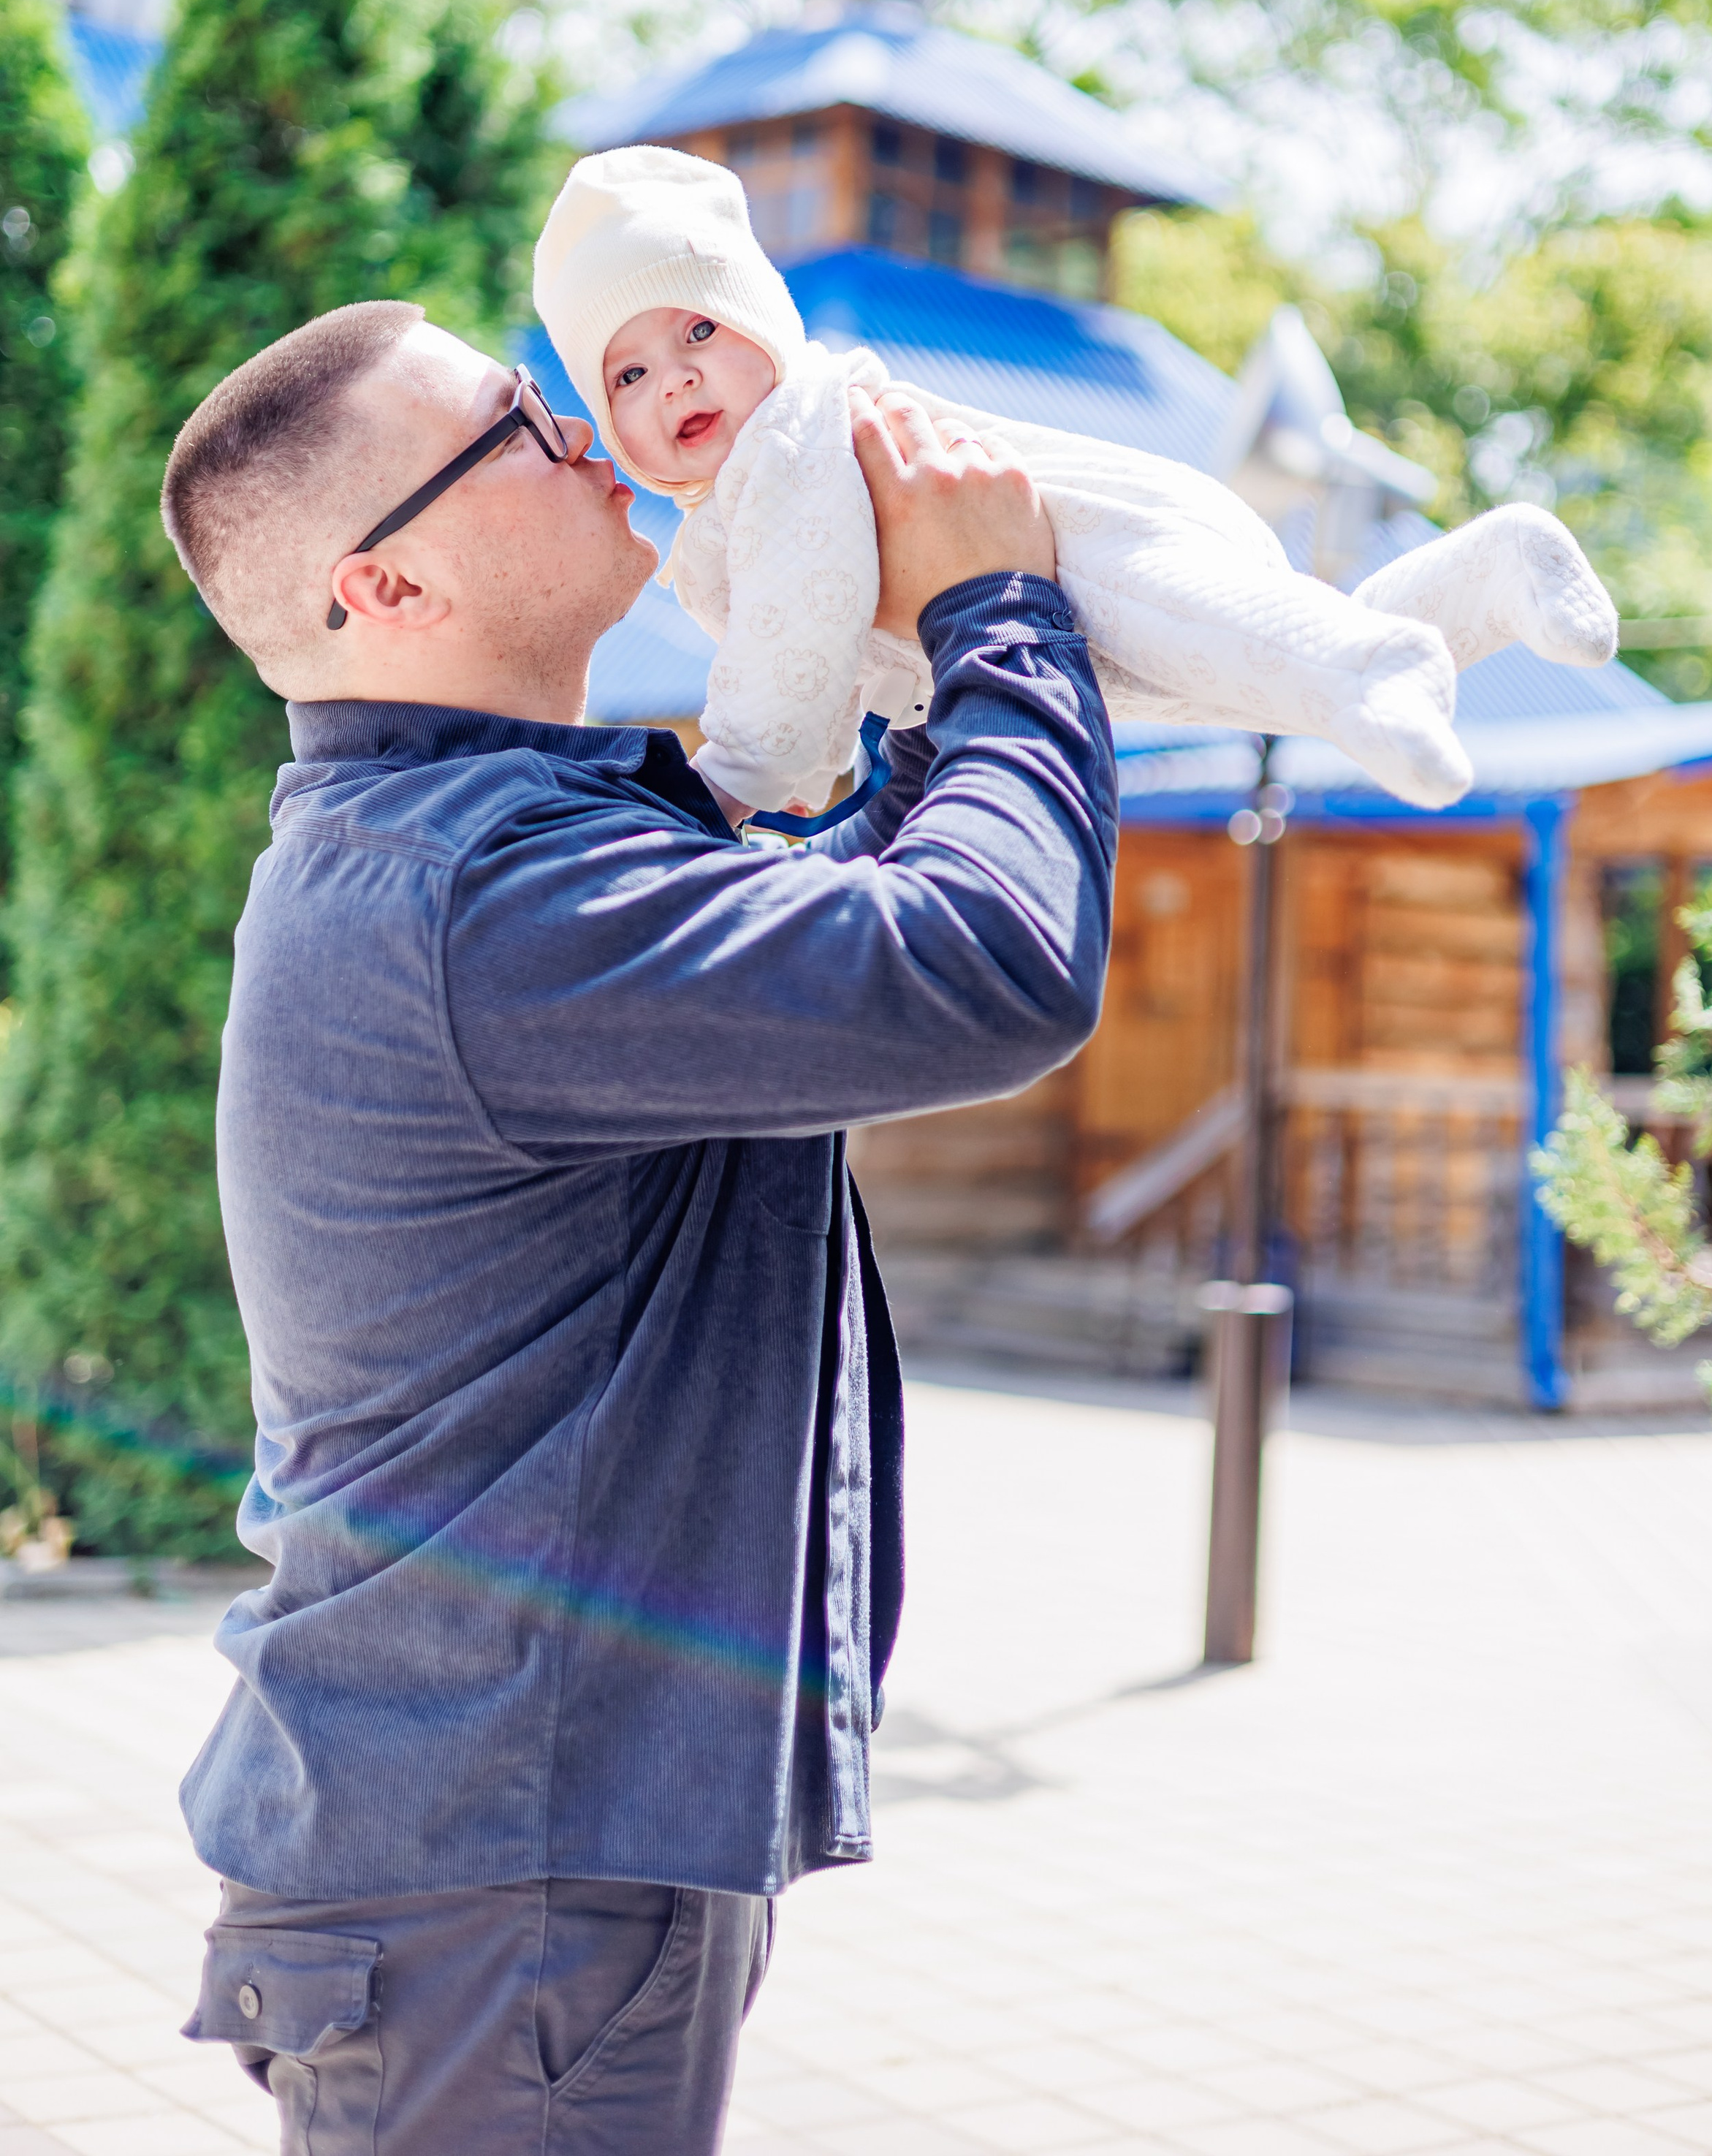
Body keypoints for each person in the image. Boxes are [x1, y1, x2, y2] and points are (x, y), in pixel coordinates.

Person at [159, 295, 1112, 2155]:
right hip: (494, 1879)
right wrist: (1004, 617)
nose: (586, 427)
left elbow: (840, 924)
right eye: (516, 421)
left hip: (495, 1867)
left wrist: (907, 669)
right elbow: (981, 961)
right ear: (387, 593)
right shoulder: (475, 895)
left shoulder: (484, 851)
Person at [531, 145, 1618, 823]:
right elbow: (817, 648)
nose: (674, 377)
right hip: (1066, 616)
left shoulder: (794, 433)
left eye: (700, 328)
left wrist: (739, 775)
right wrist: (805, 773)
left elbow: (801, 618)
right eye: (628, 372)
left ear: (766, 325)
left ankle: (1375, 664)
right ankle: (1480, 580)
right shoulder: (729, 512)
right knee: (1253, 674)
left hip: (1093, 540)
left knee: (1269, 649)